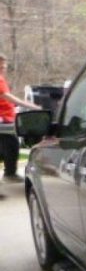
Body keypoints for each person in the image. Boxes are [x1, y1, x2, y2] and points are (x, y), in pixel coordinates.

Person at [0, 53, 41, 183]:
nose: (4, 69)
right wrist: (32, 106)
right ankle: (9, 174)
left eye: (4, 66)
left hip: (7, 118)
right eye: (1, 66)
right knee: (12, 144)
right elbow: (8, 97)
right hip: (3, 120)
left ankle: (10, 173)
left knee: (9, 146)